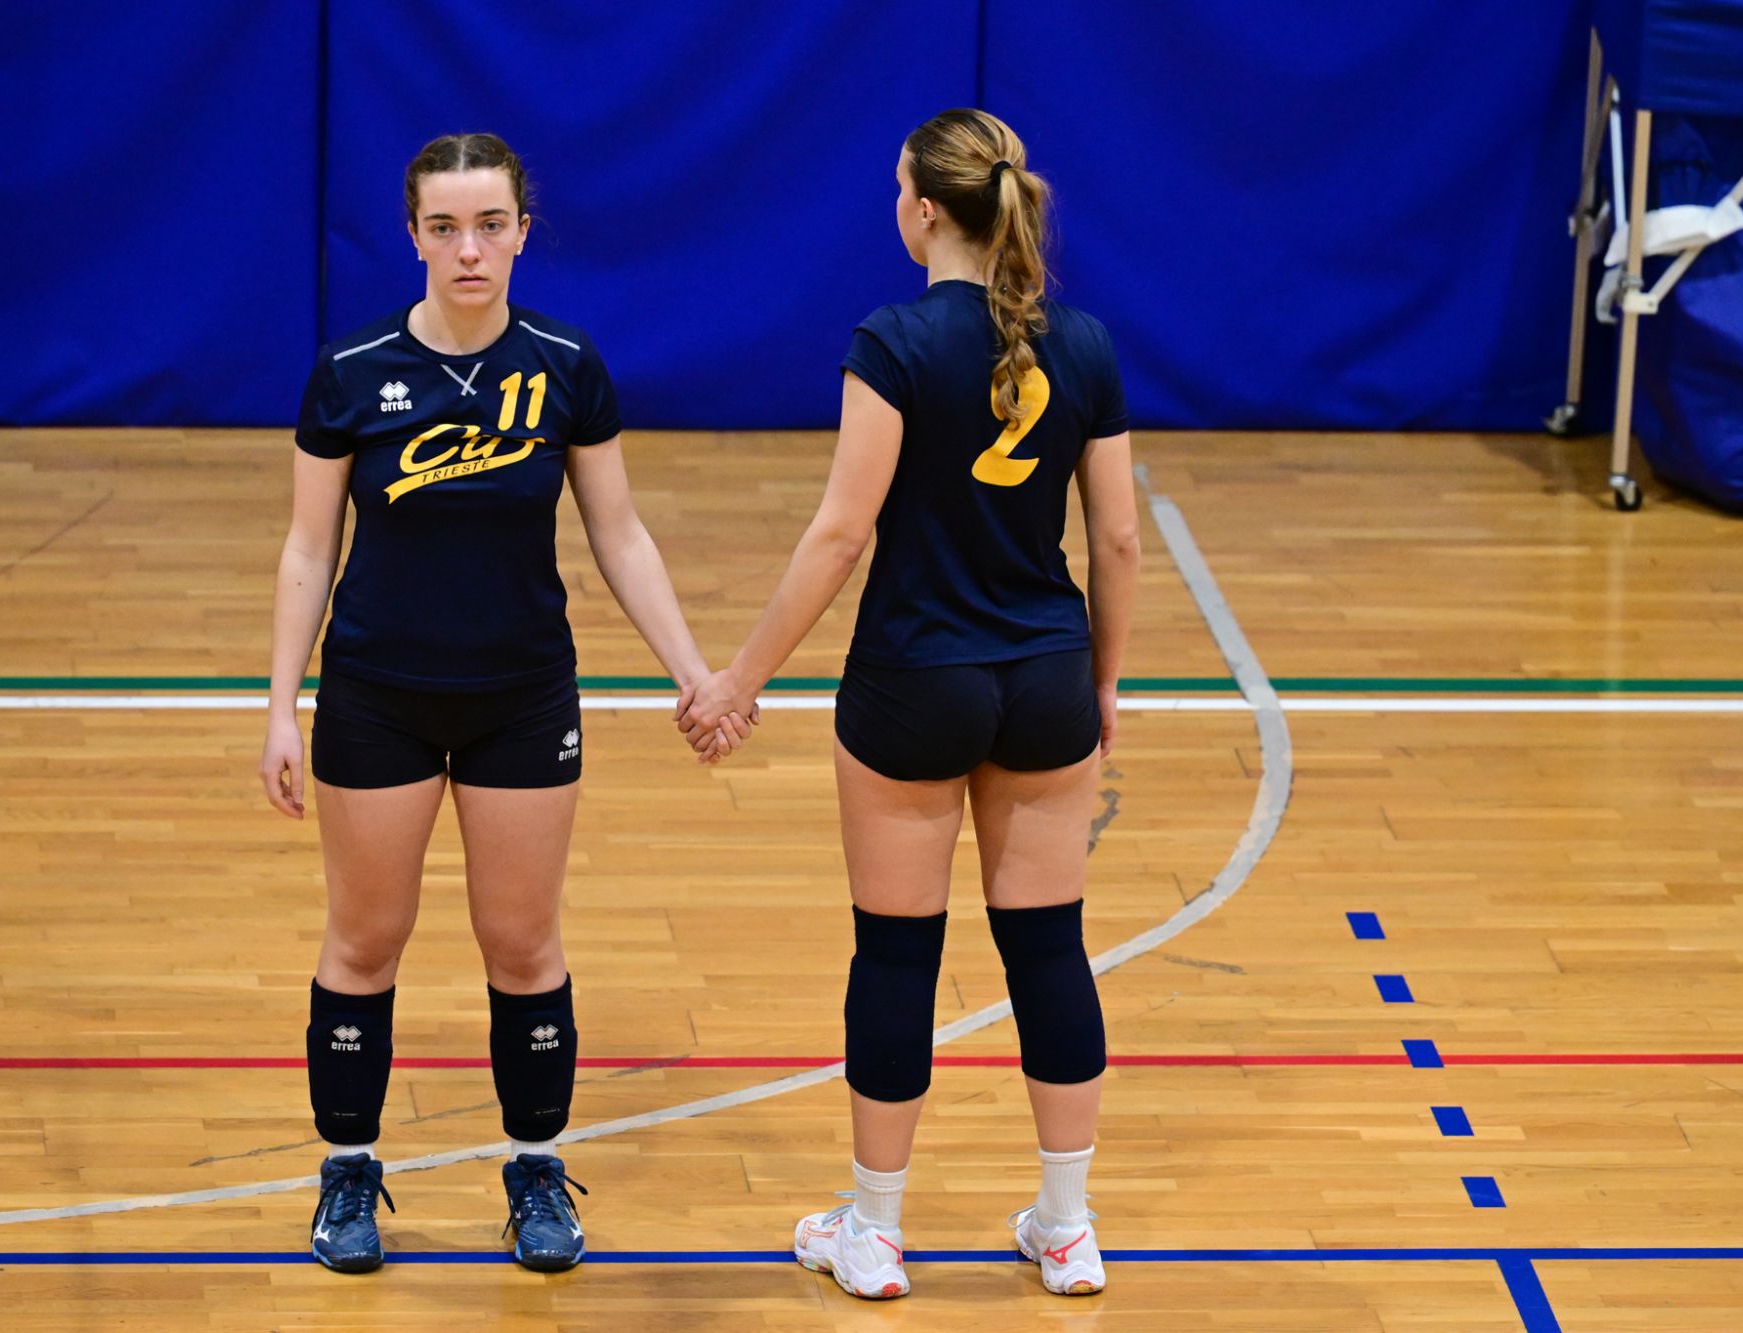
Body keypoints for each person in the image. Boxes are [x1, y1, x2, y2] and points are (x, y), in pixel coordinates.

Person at [259, 132, 745, 1277]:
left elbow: (618, 535)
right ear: (413, 236)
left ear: (523, 231)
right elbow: (306, 548)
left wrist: (692, 670)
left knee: (521, 944)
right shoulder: (350, 370)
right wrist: (280, 704)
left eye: (488, 225)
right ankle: (346, 1172)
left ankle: (534, 1171)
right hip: (376, 695)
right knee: (364, 940)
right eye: (445, 228)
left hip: (522, 698)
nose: (467, 249)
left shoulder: (565, 365)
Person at [678, 108, 1141, 1300]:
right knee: (1048, 948)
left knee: (895, 953)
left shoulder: (888, 341)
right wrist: (1098, 683)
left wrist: (737, 682)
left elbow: (841, 533)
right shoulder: (1085, 345)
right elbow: (1118, 541)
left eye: (897, 188)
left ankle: (873, 1233)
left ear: (925, 209)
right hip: (1043, 676)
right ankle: (1067, 1227)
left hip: (912, 680)